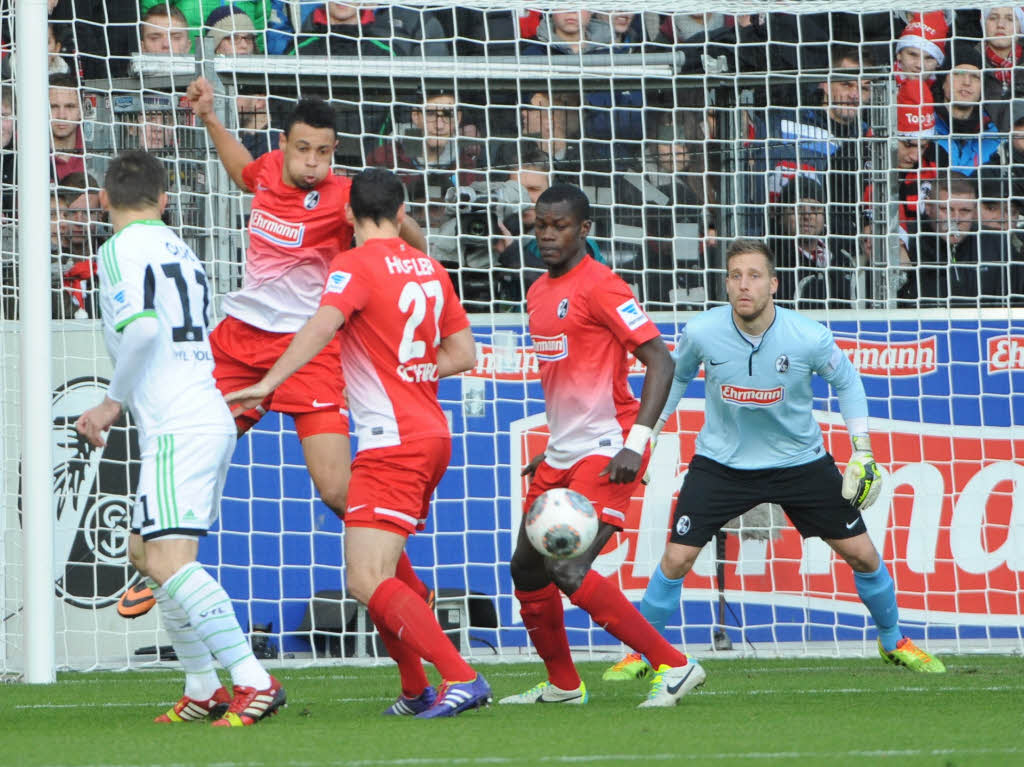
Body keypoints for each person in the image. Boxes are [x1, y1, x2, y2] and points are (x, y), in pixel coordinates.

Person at [118, 78, 432, 619]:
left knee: (336, 489)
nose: (314, 162)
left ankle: (406, 585)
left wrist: (413, 252)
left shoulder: (344, 199)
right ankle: (155, 560)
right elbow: (243, 171)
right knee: (187, 442)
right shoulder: (266, 170)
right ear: (284, 144)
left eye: (325, 152)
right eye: (304, 149)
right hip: (239, 342)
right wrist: (213, 119)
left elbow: (402, 234)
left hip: (309, 351)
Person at [602, 238, 946, 682]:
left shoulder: (807, 336)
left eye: (755, 276)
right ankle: (645, 653)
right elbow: (675, 378)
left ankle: (893, 639)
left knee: (862, 555)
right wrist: (647, 438)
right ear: (726, 284)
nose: (744, 285)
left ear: (774, 285)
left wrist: (862, 449)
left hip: (799, 463)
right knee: (676, 559)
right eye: (735, 276)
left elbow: (848, 381)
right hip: (721, 465)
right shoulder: (703, 332)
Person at [225, 168, 491, 718]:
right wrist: (410, 371)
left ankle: (461, 677)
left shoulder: (353, 265)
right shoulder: (431, 268)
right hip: (430, 432)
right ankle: (416, 688)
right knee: (382, 572)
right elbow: (464, 353)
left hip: (391, 440)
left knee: (365, 577)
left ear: (347, 214)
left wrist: (271, 381)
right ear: (401, 213)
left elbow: (321, 326)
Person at [75, 150, 285, 726]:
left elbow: (141, 331)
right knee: (146, 552)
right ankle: (201, 687)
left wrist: (110, 402)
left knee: (168, 559)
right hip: (202, 413)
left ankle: (252, 678)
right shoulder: (180, 249)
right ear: (164, 200)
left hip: (178, 425)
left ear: (103, 200)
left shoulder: (118, 250)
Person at [498, 184, 705, 709]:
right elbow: (571, 381)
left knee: (568, 569)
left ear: (584, 230)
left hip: (611, 450)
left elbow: (662, 361)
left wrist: (637, 442)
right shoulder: (538, 291)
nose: (547, 234)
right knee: (525, 567)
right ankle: (565, 685)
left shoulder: (604, 286)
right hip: (564, 453)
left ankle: (676, 666)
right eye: (540, 224)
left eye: (559, 225)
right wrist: (554, 448)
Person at [49, 73, 84, 182]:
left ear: (81, 112)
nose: (61, 115)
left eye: (70, 106)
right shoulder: (23, 150)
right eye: (53, 107)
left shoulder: (95, 154)